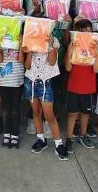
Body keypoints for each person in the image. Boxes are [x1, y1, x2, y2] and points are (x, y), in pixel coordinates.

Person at [22, 23, 69, 160]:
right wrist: (29, 51)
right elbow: (27, 65)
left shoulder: (54, 40)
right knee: (36, 112)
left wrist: (50, 46)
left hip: (45, 82)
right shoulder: (30, 40)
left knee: (49, 115)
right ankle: (41, 139)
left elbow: (53, 61)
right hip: (30, 81)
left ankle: (59, 144)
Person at [64, 19, 98, 153]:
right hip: (74, 86)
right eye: (82, 31)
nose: (86, 33)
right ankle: (69, 139)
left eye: (88, 30)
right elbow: (68, 68)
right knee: (72, 114)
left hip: (88, 87)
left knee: (86, 114)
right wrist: (70, 49)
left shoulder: (95, 47)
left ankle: (83, 135)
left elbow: (97, 70)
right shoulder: (73, 46)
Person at [0, 32, 25, 149]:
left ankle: (15, 134)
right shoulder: (1, 38)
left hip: (17, 79)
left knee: (15, 109)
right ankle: (6, 134)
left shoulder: (19, 38)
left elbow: (21, 60)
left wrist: (21, 44)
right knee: (5, 109)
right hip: (4, 80)